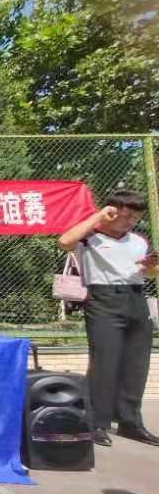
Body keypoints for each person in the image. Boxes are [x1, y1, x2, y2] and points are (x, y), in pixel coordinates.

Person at [58, 189, 159, 447]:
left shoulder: (139, 241)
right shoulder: (89, 237)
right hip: (103, 299)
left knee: (136, 364)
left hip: (136, 299)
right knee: (105, 363)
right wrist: (98, 216)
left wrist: (151, 267)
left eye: (135, 217)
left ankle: (130, 422)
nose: (130, 221)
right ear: (111, 212)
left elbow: (149, 274)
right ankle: (96, 422)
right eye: (125, 216)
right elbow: (64, 241)